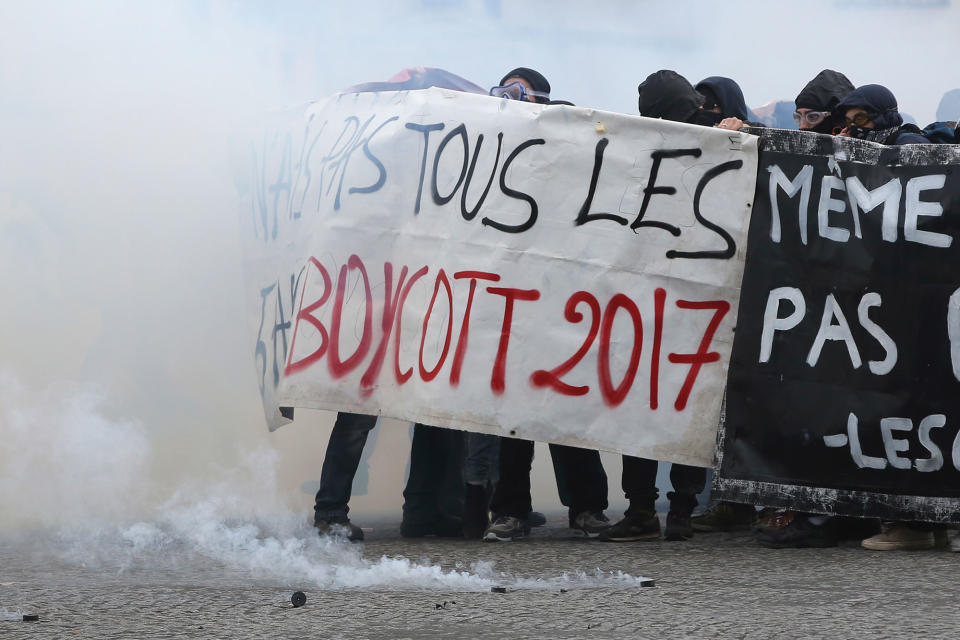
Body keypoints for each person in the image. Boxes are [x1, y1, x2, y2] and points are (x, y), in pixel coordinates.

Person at [481, 69, 612, 543]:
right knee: (512, 418)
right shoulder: (497, 149)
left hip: (563, 301)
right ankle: (510, 509)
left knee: (569, 413)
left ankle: (587, 508)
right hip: (514, 304)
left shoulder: (572, 138)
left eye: (517, 93)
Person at [600, 70, 713, 543]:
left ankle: (643, 508)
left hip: (648, 303)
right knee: (688, 405)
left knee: (638, 408)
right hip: (696, 304)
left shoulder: (650, 146)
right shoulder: (720, 137)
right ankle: (681, 511)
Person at [834, 84, 928, 145]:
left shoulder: (911, 144)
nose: (853, 126)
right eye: (849, 122)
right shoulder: (862, 146)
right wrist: (840, 148)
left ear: (884, 119)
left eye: (860, 119)